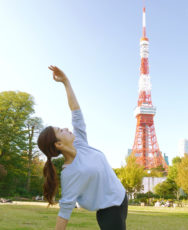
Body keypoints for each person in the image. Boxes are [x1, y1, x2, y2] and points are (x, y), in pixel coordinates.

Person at [37, 66, 127, 230]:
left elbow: (75, 110)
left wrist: (66, 82)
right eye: (60, 131)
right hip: (109, 210)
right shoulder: (69, 173)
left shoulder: (80, 142)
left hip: (121, 198)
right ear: (58, 144)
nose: (65, 128)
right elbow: (65, 209)